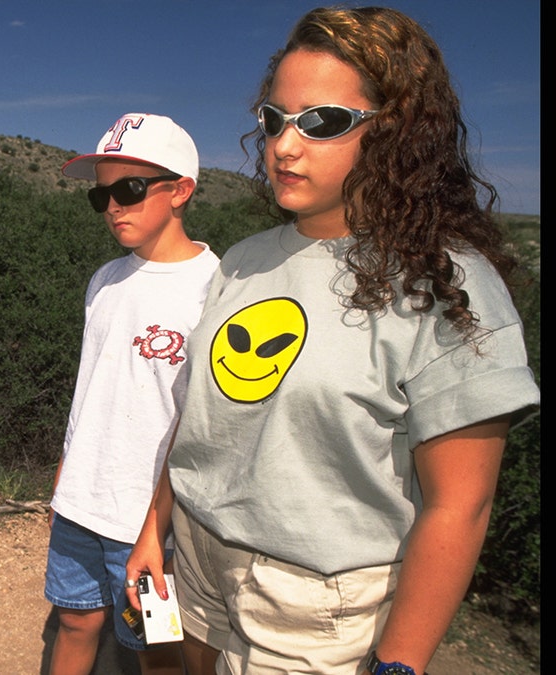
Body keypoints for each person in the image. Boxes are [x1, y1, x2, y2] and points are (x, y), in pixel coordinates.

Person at [124, 6, 541, 675]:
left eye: (322, 122)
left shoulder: (447, 283)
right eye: (273, 119)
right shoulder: (243, 260)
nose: (285, 145)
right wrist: (156, 529)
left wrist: (399, 662)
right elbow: (202, 418)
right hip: (197, 554)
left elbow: (461, 503)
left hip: (313, 603)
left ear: (397, 132)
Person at [45, 112, 220, 675]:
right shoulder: (105, 280)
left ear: (182, 191)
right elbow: (91, 384)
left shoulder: (216, 291)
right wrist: (67, 466)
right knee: (75, 621)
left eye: (130, 189)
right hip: (82, 502)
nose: (114, 206)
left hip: (153, 521)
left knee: (160, 649)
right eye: (103, 196)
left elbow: (198, 422)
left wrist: (155, 528)